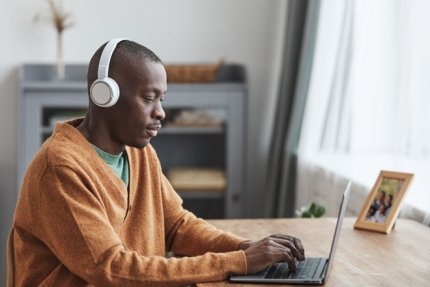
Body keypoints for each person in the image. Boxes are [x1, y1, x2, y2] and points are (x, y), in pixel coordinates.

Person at [8, 39, 305, 286]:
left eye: (162, 98)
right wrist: (239, 262)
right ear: (104, 96)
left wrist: (244, 247)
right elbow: (111, 268)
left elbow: (177, 225)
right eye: (149, 98)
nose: (161, 112)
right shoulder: (60, 168)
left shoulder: (139, 151)